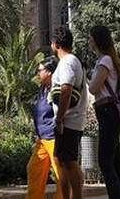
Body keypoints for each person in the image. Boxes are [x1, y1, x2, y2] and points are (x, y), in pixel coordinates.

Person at [87, 25, 120, 199]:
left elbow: (95, 88)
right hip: (107, 112)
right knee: (115, 162)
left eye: (90, 37)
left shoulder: (105, 61)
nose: (88, 41)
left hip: (107, 112)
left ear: (97, 40)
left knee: (105, 162)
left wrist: (87, 79)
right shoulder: (107, 60)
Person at [50, 27, 87, 199]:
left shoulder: (68, 62)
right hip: (68, 121)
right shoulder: (71, 61)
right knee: (62, 162)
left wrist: (59, 119)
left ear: (55, 44)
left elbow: (66, 90)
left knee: (70, 162)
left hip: (68, 121)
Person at [26, 56, 62, 199]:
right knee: (34, 168)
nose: (38, 73)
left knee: (60, 174)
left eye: (40, 70)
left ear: (49, 73)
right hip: (42, 139)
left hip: (53, 137)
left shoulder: (56, 89)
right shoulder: (43, 88)